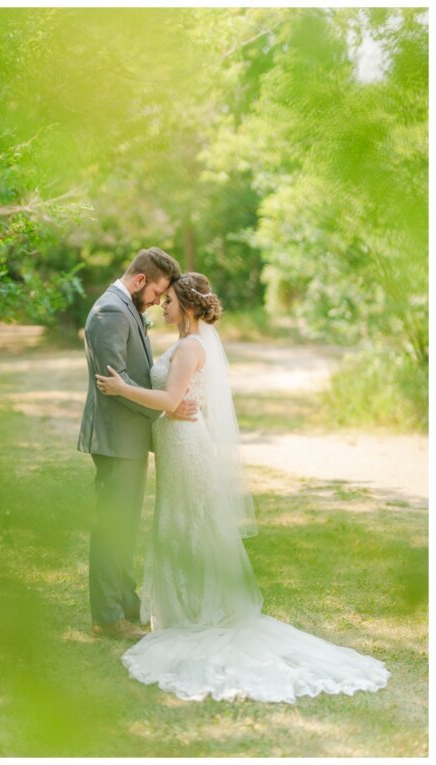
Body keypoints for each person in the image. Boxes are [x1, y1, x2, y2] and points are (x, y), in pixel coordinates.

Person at [95, 272, 389, 702]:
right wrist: (165, 404)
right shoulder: (187, 344)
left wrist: (123, 388)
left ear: (190, 306)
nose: (164, 305)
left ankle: (195, 611)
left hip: (184, 446)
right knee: (182, 520)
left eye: (171, 299)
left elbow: (171, 400)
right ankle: (182, 608)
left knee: (189, 522)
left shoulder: (190, 347)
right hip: (179, 443)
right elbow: (176, 400)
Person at [77, 247, 186, 640]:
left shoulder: (126, 308)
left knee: (123, 526)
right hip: (115, 438)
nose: (158, 302)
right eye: (157, 293)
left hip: (129, 438)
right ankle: (107, 618)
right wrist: (163, 412)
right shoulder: (110, 312)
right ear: (140, 281)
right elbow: (115, 385)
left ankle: (126, 601)